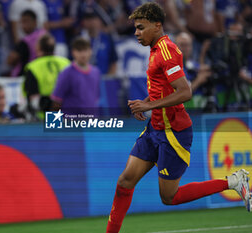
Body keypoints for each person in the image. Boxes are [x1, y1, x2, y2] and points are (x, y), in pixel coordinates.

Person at [106, 3, 251, 233]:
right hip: (155, 128)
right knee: (125, 181)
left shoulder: (167, 51)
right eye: (135, 28)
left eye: (141, 28)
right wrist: (145, 104)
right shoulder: (155, 49)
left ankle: (234, 182)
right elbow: (162, 87)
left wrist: (149, 105)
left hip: (174, 132)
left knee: (169, 197)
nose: (136, 33)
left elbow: (185, 92)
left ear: (157, 25)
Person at [23, 33, 70, 118]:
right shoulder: (66, 63)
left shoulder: (33, 67)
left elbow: (34, 99)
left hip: (46, 117)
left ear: (38, 48)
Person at [51, 37, 100, 115]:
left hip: (90, 121)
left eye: (85, 50)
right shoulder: (66, 73)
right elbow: (56, 101)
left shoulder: (96, 72)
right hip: (71, 122)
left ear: (91, 51)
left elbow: (95, 98)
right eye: (79, 50)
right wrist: (54, 125)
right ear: (73, 52)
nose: (83, 54)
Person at [7, 9, 47, 77]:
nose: (23, 26)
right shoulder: (46, 35)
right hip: (43, 74)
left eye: (26, 21)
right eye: (22, 22)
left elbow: (10, 61)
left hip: (25, 77)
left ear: (35, 22)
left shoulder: (25, 42)